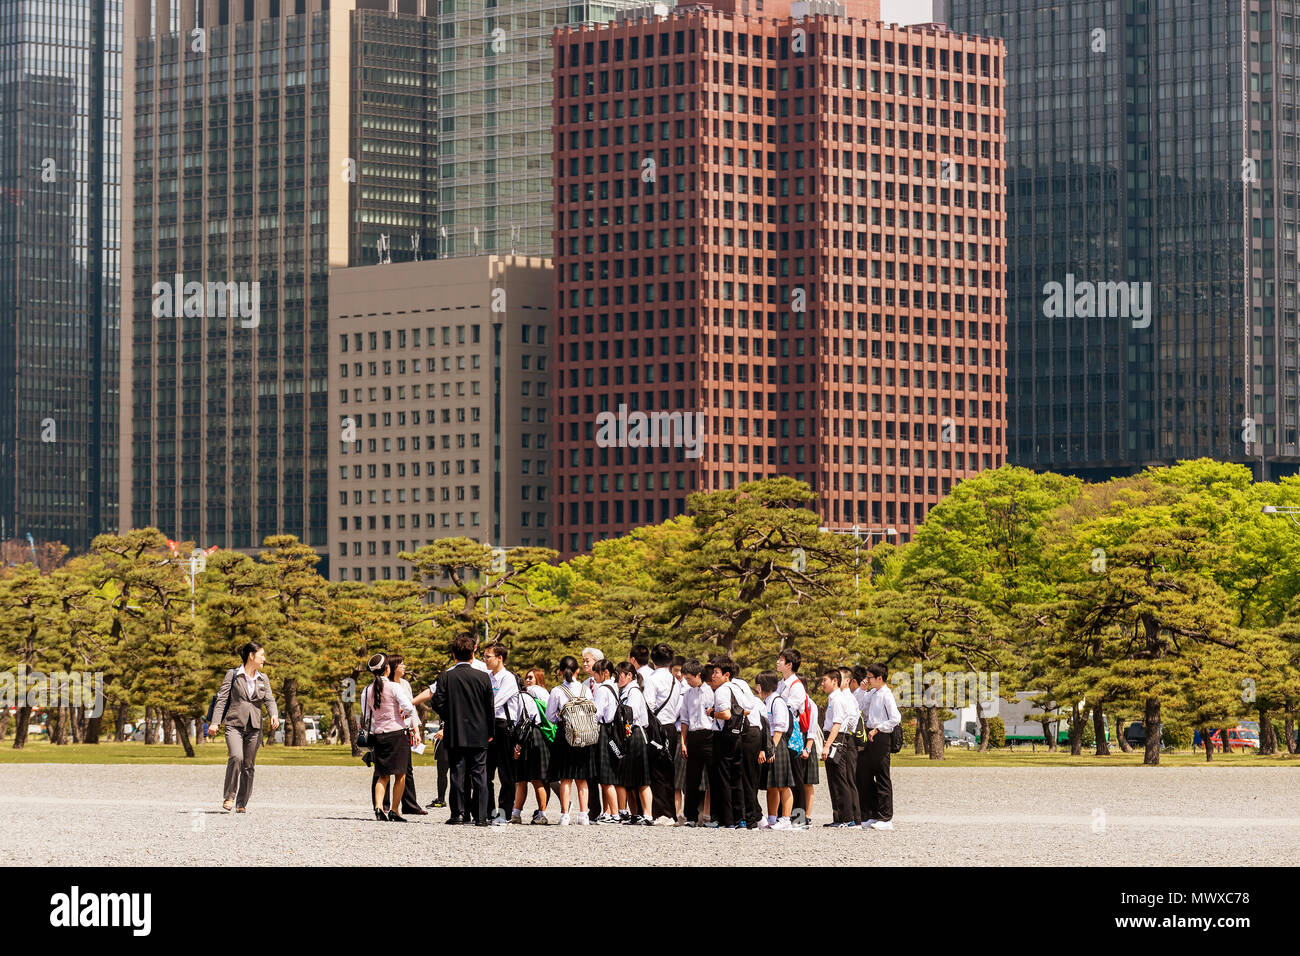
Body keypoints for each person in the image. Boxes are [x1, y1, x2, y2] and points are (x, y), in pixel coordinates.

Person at [207, 642, 281, 813]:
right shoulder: (233, 675)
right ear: (251, 656)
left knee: (248, 765)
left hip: (255, 727)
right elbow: (222, 699)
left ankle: (242, 803)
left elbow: (269, 699)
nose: (264, 658)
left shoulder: (263, 679)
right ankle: (229, 796)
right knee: (236, 757)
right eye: (261, 655)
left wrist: (274, 714)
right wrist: (215, 722)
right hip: (234, 725)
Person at [431, 634, 495, 826]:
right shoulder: (483, 677)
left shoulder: (446, 677)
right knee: (480, 774)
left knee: (457, 773)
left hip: (455, 730)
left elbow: (436, 701)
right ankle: (481, 816)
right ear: (473, 652)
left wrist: (449, 715)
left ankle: (458, 813)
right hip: (479, 731)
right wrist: (490, 731)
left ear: (453, 654)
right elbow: (489, 707)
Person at [361, 653, 420, 822]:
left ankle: (379, 807)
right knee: (400, 774)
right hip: (397, 733)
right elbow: (409, 708)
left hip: (379, 734)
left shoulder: (366, 690)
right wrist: (402, 714)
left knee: (382, 774)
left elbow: (367, 714)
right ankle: (394, 809)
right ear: (387, 669)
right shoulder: (394, 687)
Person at [546, 655, 594, 826]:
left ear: (560, 672)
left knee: (566, 778)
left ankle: (565, 814)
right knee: (582, 779)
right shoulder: (585, 690)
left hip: (565, 736)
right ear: (577, 671)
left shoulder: (557, 691)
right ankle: (583, 815)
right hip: (584, 736)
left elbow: (550, 717)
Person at [378, 655, 428, 816]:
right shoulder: (387, 685)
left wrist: (416, 729)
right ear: (391, 668)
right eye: (401, 664)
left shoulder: (405, 684)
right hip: (391, 730)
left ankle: (410, 804)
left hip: (405, 730)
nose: (404, 667)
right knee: (385, 770)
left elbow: (411, 708)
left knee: (406, 769)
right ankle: (384, 804)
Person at [723, 659, 764, 829]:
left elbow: (745, 708)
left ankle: (750, 818)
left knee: (745, 777)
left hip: (748, 731)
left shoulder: (730, 686)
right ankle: (752, 816)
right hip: (754, 731)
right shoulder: (741, 684)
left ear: (726, 673)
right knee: (748, 777)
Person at [860, 662, 901, 831]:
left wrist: (879, 728)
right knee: (868, 775)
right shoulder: (872, 693)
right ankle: (872, 814)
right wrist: (863, 691)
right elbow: (862, 708)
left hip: (881, 736)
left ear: (879, 678)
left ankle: (886, 817)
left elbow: (895, 718)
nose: (867, 680)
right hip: (870, 734)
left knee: (883, 776)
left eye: (870, 677)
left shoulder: (886, 694)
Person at [643, 642, 681, 824]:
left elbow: (648, 706)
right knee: (668, 770)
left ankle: (661, 813)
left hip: (656, 729)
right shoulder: (675, 680)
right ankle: (670, 813)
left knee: (656, 771)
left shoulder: (652, 679)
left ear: (653, 660)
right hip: (671, 727)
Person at [776, 648, 814, 826]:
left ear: (789, 665)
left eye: (781, 660)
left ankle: (799, 817)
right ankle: (783, 815)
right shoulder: (781, 683)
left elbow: (790, 709)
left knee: (796, 776)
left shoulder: (796, 685)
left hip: (793, 735)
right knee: (784, 775)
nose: (778, 662)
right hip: (783, 732)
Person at [484, 642, 522, 819]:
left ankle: (504, 812)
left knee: (506, 773)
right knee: (486, 772)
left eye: (488, 657)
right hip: (488, 724)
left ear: (500, 658)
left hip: (504, 726)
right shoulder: (487, 677)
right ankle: (488, 811)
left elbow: (495, 702)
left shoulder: (508, 678)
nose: (485, 660)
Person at [704, 661, 744, 828]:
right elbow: (747, 709)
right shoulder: (738, 688)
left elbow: (726, 714)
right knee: (736, 778)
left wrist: (713, 712)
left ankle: (725, 819)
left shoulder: (721, 690)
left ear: (726, 675)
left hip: (723, 735)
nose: (713, 676)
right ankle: (739, 818)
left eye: (716, 672)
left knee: (722, 778)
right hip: (739, 735)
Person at [820, 668, 860, 828]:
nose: (823, 684)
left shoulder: (838, 699)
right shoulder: (833, 698)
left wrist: (827, 745)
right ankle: (839, 817)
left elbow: (838, 723)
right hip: (832, 737)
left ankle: (848, 818)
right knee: (833, 779)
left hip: (837, 739)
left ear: (834, 681)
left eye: (825, 680)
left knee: (841, 779)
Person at [614, 661, 653, 825]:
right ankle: (635, 814)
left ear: (629, 675)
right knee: (628, 779)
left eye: (619, 675)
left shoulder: (634, 691)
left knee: (642, 778)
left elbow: (633, 713)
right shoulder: (625, 691)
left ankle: (648, 815)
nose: (617, 679)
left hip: (636, 733)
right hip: (626, 734)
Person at [756, 670, 794, 830]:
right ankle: (772, 818)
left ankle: (786, 819)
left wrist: (771, 749)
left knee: (783, 784)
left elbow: (779, 728)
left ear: (761, 686)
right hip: (769, 744)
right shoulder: (766, 701)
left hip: (777, 744)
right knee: (771, 784)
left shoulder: (777, 701)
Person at [677, 659, 713, 827]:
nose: (687, 682)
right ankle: (690, 816)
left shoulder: (711, 691)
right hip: (693, 736)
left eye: (690, 678)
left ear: (699, 675)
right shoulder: (688, 694)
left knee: (713, 777)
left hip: (710, 735)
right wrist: (683, 742)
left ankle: (712, 816)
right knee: (692, 779)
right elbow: (684, 719)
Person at [508, 685, 550, 825]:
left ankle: (526, 814)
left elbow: (515, 721)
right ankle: (521, 813)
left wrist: (517, 745)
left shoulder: (516, 697)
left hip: (526, 737)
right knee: (530, 779)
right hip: (535, 736)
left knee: (530, 779)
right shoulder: (529, 696)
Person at [590, 657, 623, 823]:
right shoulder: (614, 687)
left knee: (605, 776)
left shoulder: (602, 689)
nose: (594, 676)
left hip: (603, 731)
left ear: (605, 673)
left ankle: (614, 814)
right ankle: (608, 812)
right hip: (613, 732)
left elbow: (596, 713)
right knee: (609, 773)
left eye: (596, 673)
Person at [581, 646, 605, 822]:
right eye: (583, 661)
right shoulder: (583, 684)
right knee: (589, 772)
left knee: (605, 772)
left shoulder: (604, 684)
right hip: (587, 730)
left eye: (587, 660)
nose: (584, 664)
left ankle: (611, 810)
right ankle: (593, 808)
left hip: (602, 730)